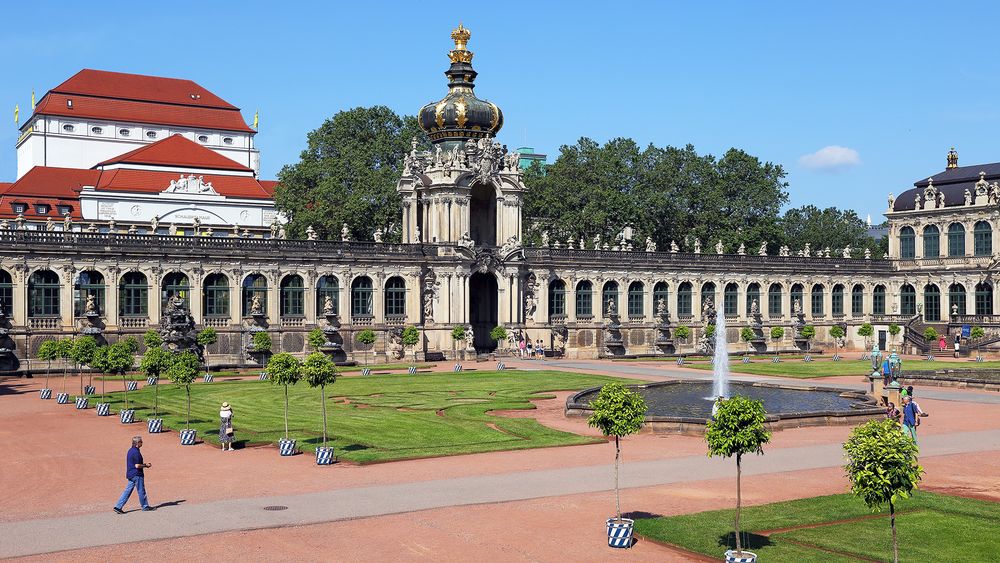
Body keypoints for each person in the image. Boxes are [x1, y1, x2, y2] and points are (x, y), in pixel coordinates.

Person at [113, 436, 154, 513]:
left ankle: (118, 506)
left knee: (127, 491)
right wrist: (146, 465)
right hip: (137, 474)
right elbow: (137, 465)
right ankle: (145, 506)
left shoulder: (130, 450)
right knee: (141, 490)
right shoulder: (136, 452)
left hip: (130, 474)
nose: (142, 443)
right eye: (141, 442)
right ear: (137, 443)